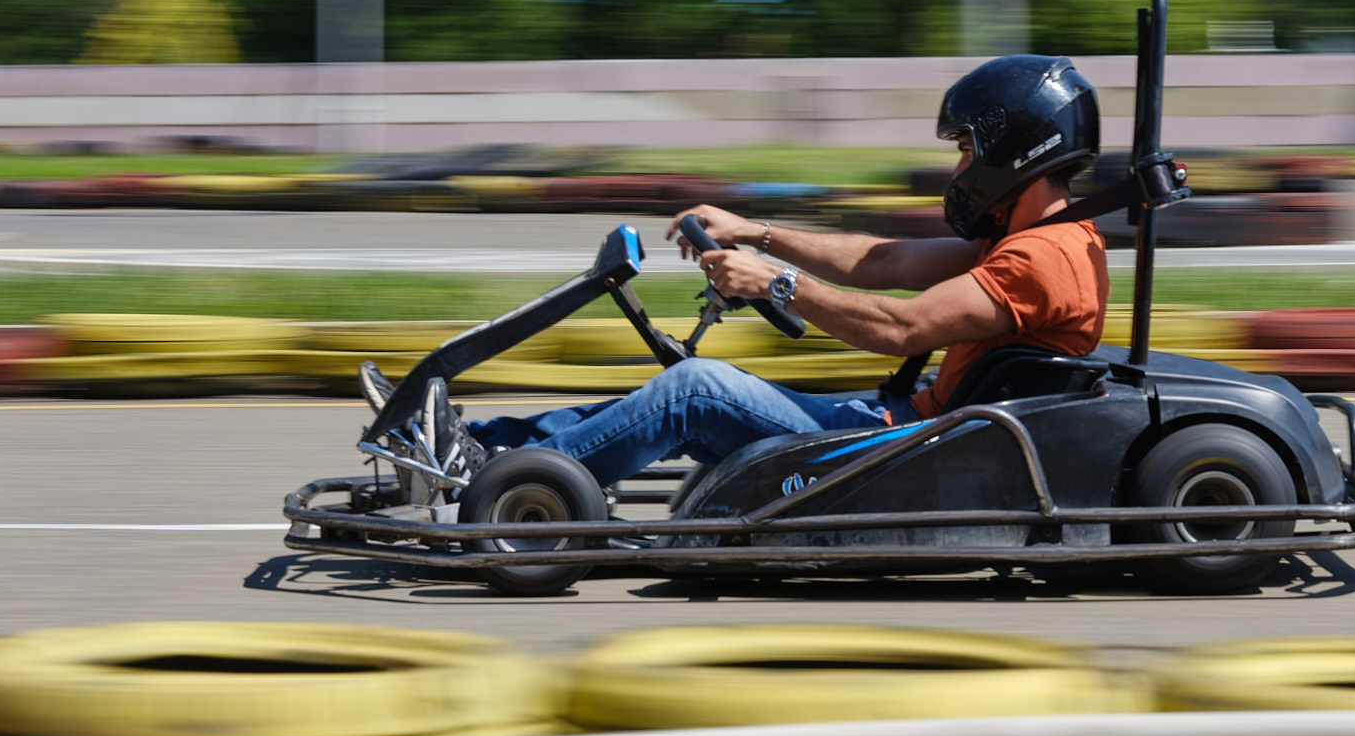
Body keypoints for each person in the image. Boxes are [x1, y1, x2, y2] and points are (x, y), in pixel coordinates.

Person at [455, 54, 1109, 488]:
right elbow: (885, 261)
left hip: (903, 455)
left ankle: (514, 482)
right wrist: (753, 230)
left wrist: (773, 282)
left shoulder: (1041, 260)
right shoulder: (1035, 238)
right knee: (689, 387)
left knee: (694, 390)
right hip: (900, 422)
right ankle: (489, 448)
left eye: (967, 148)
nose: (959, 168)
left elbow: (902, 328)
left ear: (1016, 148)